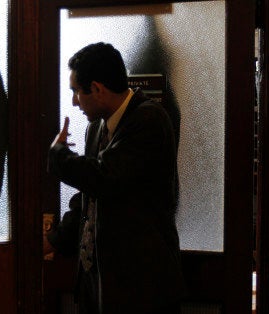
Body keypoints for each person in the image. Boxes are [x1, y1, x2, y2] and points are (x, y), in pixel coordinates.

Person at [46, 42, 186, 314]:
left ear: (97, 89)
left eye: (76, 91)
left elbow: (106, 178)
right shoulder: (96, 128)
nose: (74, 101)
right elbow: (89, 196)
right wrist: (55, 239)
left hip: (141, 289)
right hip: (99, 284)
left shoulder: (149, 119)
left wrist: (58, 156)